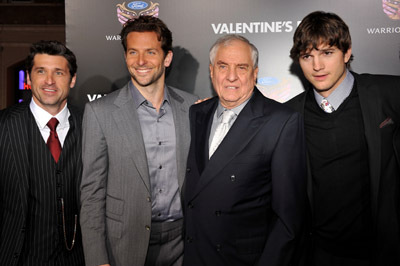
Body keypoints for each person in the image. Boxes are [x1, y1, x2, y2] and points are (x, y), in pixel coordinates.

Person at [80, 16, 198, 266]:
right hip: (124, 244)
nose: (141, 61)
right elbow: (92, 193)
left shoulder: (193, 107)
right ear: (125, 57)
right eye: (133, 52)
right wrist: (97, 259)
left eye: (150, 52)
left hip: (184, 242)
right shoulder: (100, 112)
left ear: (167, 58)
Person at [286, 11, 400, 266]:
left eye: (327, 53)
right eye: (307, 56)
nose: (317, 66)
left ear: (347, 53)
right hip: (319, 255)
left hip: (384, 252)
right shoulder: (289, 115)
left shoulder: (389, 94)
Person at [183, 34, 307, 266]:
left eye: (241, 67)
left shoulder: (281, 122)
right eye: (223, 66)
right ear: (211, 71)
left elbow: (288, 218)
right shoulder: (197, 113)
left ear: (255, 72)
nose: (231, 77)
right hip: (195, 254)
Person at [0, 40, 85, 266]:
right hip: (16, 258)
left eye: (59, 72)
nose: (49, 81)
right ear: (28, 78)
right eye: (41, 71)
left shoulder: (92, 126)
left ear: (72, 79)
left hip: (79, 258)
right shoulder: (3, 126)